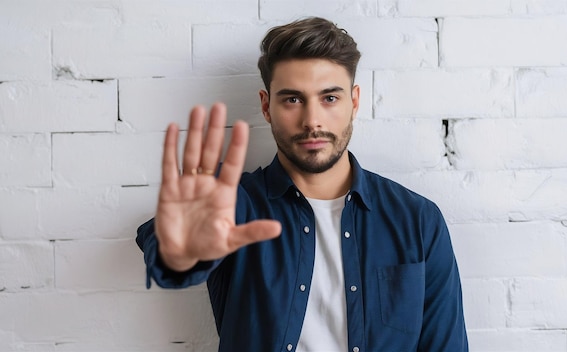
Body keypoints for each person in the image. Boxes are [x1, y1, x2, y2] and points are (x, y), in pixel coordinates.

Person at [136, 17, 468, 352]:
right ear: (267, 106)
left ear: (354, 101)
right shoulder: (234, 203)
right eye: (292, 99)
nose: (312, 121)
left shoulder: (417, 220)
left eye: (329, 98)